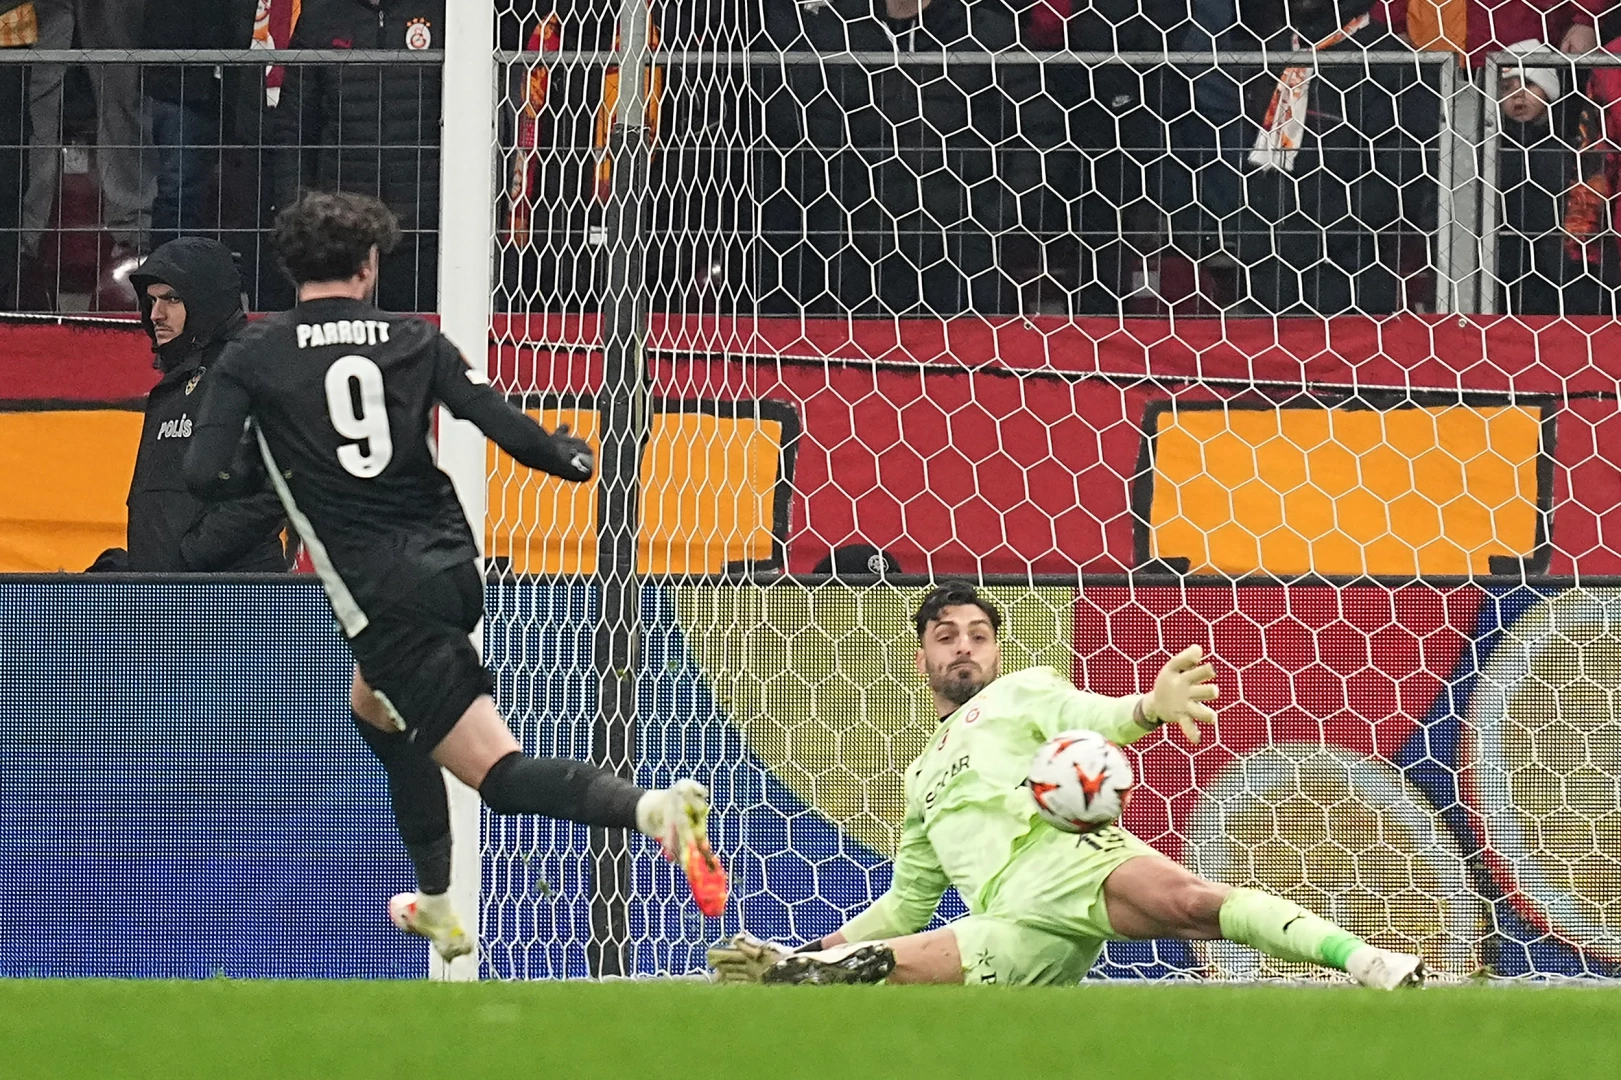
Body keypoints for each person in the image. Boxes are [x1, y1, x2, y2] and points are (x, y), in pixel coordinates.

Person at [183, 192, 725, 960]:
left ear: (288, 268)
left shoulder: (254, 354)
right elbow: (496, 419)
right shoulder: (414, 338)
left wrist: (273, 465)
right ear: (369, 266)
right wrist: (566, 455)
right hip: (450, 567)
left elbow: (204, 474)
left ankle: (656, 813)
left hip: (381, 593)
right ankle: (436, 901)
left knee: (495, 774)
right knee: (374, 708)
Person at [707, 581, 1424, 988]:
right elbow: (907, 902)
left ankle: (1366, 961)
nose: (964, 646)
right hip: (1008, 922)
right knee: (875, 966)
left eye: (978, 634)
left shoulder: (1022, 692)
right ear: (921, 656)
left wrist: (1148, 708)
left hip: (1068, 858)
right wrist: (816, 947)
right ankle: (800, 970)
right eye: (946, 636)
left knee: (1192, 904)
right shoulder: (918, 776)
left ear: (996, 650)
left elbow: (1093, 717)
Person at [120, 237, 287, 572]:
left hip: (230, 592)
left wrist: (192, 556)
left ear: (206, 300)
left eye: (172, 299)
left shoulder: (245, 370)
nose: (156, 314)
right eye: (151, 300)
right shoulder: (176, 381)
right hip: (172, 589)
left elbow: (273, 486)